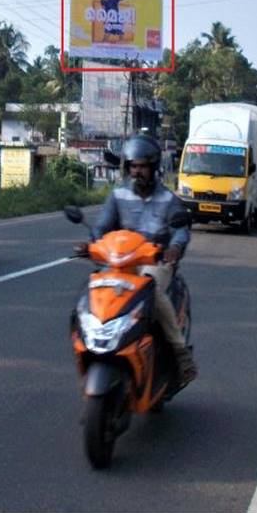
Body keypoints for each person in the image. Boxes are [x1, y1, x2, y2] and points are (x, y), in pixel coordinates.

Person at [78, 134, 198, 387]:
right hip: (121, 261)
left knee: (149, 289)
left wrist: (174, 248)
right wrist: (92, 245)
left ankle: (180, 353)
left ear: (154, 168)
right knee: (96, 289)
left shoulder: (168, 199)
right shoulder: (118, 195)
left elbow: (181, 229)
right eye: (133, 166)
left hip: (155, 261)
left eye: (143, 166)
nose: (137, 171)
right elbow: (101, 227)